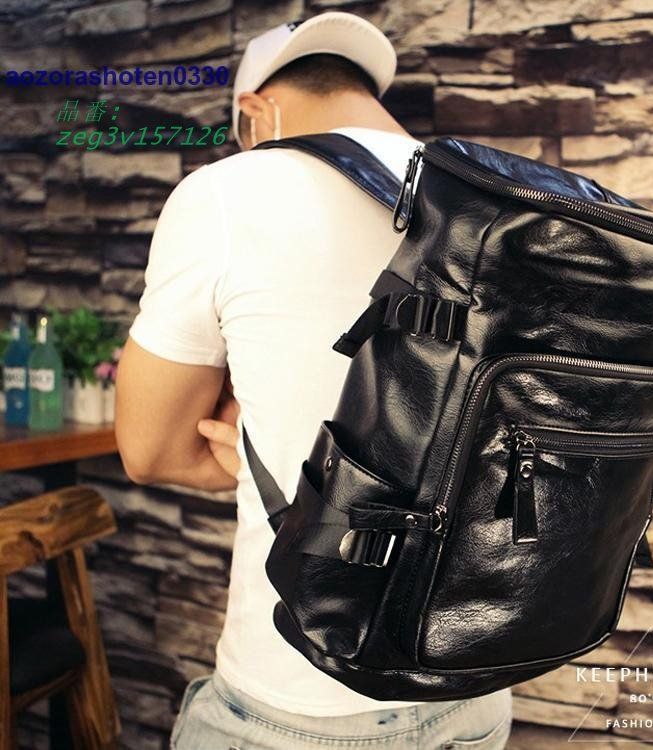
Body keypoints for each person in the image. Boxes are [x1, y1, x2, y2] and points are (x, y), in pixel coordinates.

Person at [115, 11, 512, 749]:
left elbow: (150, 449)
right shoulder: (500, 200)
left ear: (254, 112)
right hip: (476, 682)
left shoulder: (228, 192)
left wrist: (278, 452)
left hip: (301, 698)